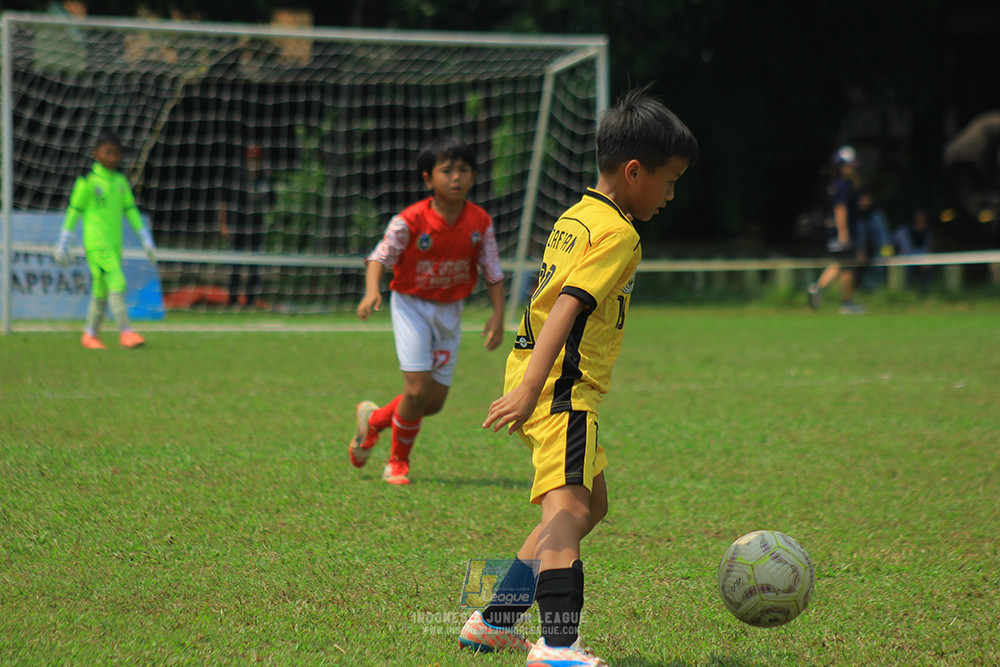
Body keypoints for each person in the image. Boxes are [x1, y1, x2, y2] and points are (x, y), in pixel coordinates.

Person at [458, 89, 697, 666]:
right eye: (668, 181)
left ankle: (494, 621)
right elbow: (567, 305)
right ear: (634, 171)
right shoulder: (620, 233)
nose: (670, 195)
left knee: (592, 505)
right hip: (558, 388)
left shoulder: (577, 216)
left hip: (541, 379)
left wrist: (527, 383)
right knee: (566, 515)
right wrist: (532, 389)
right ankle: (558, 646)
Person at [349, 137, 505, 485]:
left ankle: (373, 421)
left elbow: (492, 269)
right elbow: (379, 257)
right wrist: (372, 290)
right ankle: (397, 463)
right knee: (417, 392)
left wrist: (498, 315)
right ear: (428, 179)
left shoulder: (480, 222)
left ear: (473, 176)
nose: (456, 177)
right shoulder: (409, 221)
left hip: (450, 311)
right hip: (412, 306)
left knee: (431, 403)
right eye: (446, 170)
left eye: (463, 170)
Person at [53, 130, 157, 349]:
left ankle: (90, 335)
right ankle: (126, 332)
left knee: (100, 291)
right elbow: (74, 210)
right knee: (118, 281)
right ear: (96, 154)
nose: (112, 157)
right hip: (96, 245)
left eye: (116, 153)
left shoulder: (120, 181)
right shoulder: (88, 181)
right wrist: (64, 239)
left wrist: (145, 237)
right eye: (108, 152)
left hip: (114, 245)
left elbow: (130, 210)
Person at [807, 145, 866, 314]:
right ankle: (846, 303)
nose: (853, 168)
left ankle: (816, 289)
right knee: (848, 266)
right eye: (850, 165)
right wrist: (844, 234)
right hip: (842, 231)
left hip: (836, 230)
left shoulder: (839, 184)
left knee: (839, 264)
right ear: (842, 166)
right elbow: (840, 210)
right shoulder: (842, 185)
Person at [218, 144, 274, 309]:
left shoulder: (265, 179)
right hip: (238, 225)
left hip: (257, 227)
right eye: (251, 159)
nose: (254, 162)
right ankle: (234, 301)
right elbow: (224, 202)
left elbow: (272, 203)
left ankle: (251, 301)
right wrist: (223, 225)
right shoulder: (236, 178)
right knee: (235, 263)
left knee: (255, 265)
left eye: (256, 159)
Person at [854, 189, 893, 290]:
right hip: (860, 254)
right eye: (862, 200)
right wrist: (860, 250)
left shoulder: (877, 216)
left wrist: (886, 253)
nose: (865, 203)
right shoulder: (855, 217)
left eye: (867, 199)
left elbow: (884, 237)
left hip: (876, 253)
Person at [893, 207, 933, 291]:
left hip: (917, 260)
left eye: (924, 222)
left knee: (928, 268)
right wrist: (922, 259)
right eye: (918, 222)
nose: (921, 225)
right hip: (900, 261)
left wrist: (925, 260)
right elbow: (907, 251)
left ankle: (926, 292)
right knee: (908, 268)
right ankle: (906, 292)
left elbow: (927, 249)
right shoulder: (902, 232)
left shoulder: (927, 233)